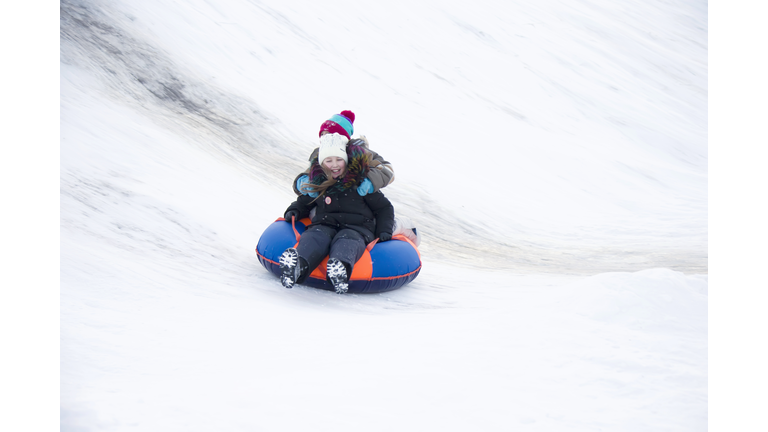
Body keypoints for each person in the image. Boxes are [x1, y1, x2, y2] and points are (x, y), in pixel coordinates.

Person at [280, 132, 395, 294]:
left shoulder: (360, 182)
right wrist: (294, 211)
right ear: (322, 163)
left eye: (339, 160)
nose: (334, 165)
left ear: (346, 161)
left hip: (357, 228)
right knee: (315, 236)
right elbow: (306, 201)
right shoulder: (321, 183)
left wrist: (384, 230)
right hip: (325, 223)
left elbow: (384, 208)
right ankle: (297, 266)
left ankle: (339, 270)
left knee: (347, 240)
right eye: (329, 161)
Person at [292, 110, 395, 198]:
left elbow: (387, 170)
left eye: (330, 134)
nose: (325, 138)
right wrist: (303, 181)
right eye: (322, 135)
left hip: (357, 199)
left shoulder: (360, 153)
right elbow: (311, 171)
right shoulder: (320, 154)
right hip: (328, 200)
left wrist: (371, 180)